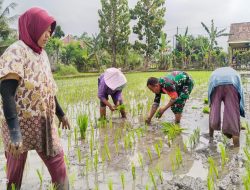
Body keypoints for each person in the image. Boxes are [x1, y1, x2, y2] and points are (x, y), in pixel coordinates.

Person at [0, 8, 70, 190]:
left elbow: (48, 90)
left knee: (58, 163)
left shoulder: (43, 55)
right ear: (32, 27)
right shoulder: (15, 52)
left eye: (50, 31)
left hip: (44, 122)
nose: (48, 35)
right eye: (44, 30)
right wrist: (15, 133)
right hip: (19, 123)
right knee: (15, 173)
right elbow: (6, 93)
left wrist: (61, 114)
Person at [208, 67, 245, 147]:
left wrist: (210, 103)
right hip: (232, 85)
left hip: (215, 84)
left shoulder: (215, 72)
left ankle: (210, 137)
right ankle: (236, 147)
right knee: (233, 116)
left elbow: (210, 89)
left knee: (213, 112)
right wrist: (240, 110)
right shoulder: (235, 73)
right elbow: (240, 92)